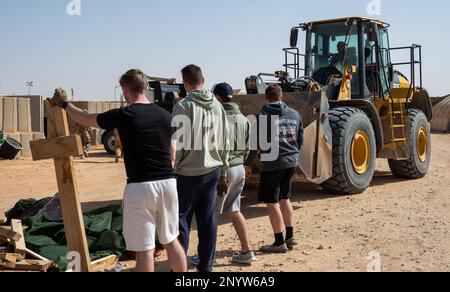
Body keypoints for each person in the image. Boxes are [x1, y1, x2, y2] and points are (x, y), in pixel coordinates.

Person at [48, 69, 187, 273]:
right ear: (145, 88)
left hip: (140, 187)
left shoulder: (124, 115)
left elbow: (86, 118)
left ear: (125, 89)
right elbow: (172, 154)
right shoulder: (165, 115)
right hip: (168, 183)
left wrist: (65, 104)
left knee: (145, 248)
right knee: (171, 239)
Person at [172, 65, 229, 272]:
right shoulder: (217, 105)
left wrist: (173, 168)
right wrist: (223, 170)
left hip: (188, 173)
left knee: (181, 221)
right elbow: (225, 140)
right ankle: (206, 267)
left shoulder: (183, 106)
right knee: (207, 220)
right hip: (213, 170)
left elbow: (176, 143)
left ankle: (178, 268)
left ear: (186, 84)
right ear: (203, 80)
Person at [254, 84, 303, 253]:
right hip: (290, 161)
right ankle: (290, 235)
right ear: (281, 96)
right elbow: (300, 138)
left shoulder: (261, 117)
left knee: (272, 202)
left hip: (272, 163)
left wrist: (249, 161)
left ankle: (279, 241)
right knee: (284, 198)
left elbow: (256, 144)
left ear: (266, 98)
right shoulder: (295, 114)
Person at [213, 83, 256, 264]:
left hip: (224, 171)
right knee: (234, 210)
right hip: (239, 169)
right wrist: (245, 162)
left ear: (217, 98)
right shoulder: (244, 119)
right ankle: (246, 252)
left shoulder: (217, 118)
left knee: (210, 214)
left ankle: (206, 256)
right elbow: (250, 147)